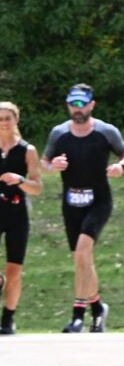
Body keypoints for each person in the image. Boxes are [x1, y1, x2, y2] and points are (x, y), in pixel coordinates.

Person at [42, 84, 124, 333]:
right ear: (68, 105)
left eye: (82, 104)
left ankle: (77, 315)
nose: (78, 109)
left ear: (92, 105)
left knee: (83, 253)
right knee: (83, 259)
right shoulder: (59, 133)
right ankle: (97, 308)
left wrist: (120, 167)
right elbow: (44, 161)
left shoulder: (105, 131)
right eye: (74, 104)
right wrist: (53, 166)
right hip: (71, 202)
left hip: (99, 200)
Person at [0, 102, 43, 334]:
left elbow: (37, 187)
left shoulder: (27, 150)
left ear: (16, 120)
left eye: (8, 118)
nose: (4, 123)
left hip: (17, 213)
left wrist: (20, 180)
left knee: (14, 270)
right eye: (0, 119)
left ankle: (8, 319)